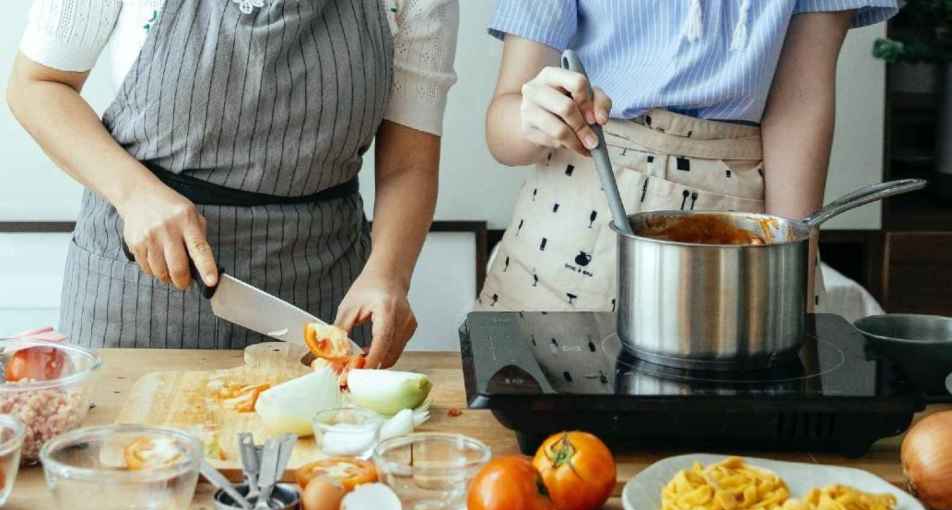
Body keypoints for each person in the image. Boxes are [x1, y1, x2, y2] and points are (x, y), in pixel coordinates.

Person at [9, 0, 458, 367]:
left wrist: (388, 274)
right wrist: (136, 194)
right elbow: (38, 85)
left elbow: (408, 166)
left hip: (324, 295)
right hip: (138, 284)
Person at [479, 1, 896, 312]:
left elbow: (800, 105)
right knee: (546, 426)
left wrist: (791, 263)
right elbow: (502, 131)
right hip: (571, 219)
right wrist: (534, 116)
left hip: (735, 215)